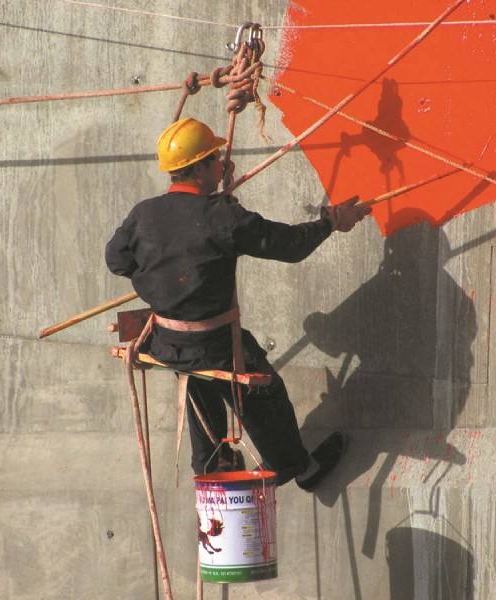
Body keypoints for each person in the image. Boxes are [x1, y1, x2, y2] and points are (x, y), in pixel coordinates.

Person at [105, 118, 370, 489]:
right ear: (199, 168)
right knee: (265, 395)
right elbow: (290, 245)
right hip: (216, 346)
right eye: (215, 159)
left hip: (170, 343)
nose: (221, 164)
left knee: (198, 388)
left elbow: (117, 260)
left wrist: (162, 284)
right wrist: (330, 222)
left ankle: (212, 466)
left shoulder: (145, 213)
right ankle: (299, 468)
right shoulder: (222, 217)